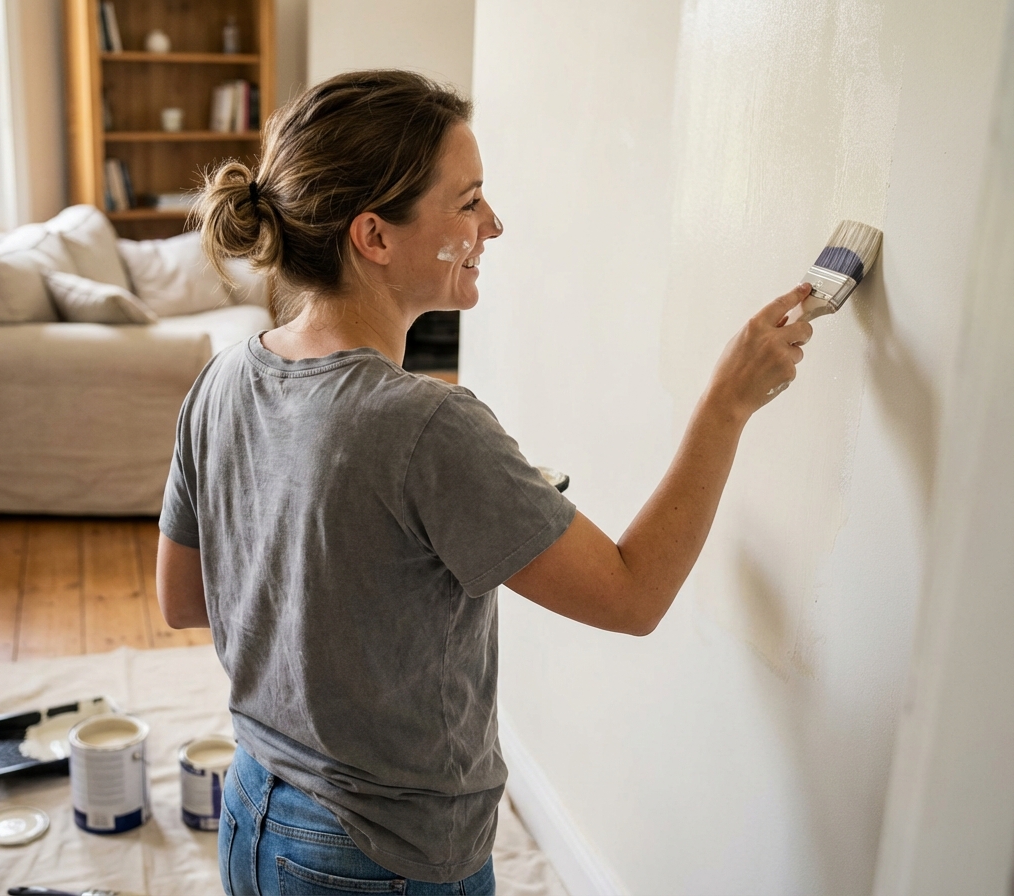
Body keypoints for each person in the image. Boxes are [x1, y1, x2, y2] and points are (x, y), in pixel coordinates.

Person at [156, 70, 813, 896]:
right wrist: (726, 404)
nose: (493, 224)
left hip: (253, 816)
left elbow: (183, 599)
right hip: (380, 861)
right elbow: (634, 597)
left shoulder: (222, 379)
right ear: (374, 236)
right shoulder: (427, 426)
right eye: (468, 202)